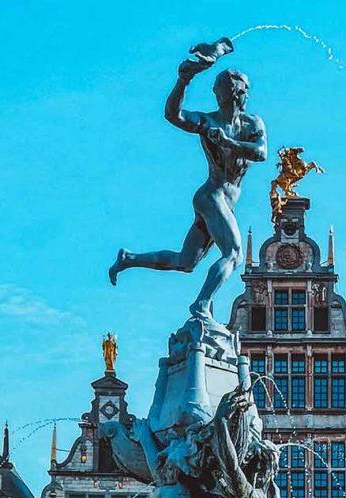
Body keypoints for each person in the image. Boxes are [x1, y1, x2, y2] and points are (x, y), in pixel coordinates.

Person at [109, 49, 267, 320]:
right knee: (234, 253)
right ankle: (201, 305)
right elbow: (174, 115)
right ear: (236, 94)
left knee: (185, 262)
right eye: (245, 91)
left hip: (223, 201)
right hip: (211, 196)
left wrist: (228, 143)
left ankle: (129, 258)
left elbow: (261, 152)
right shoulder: (208, 122)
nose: (248, 96)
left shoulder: (252, 123)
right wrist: (183, 81)